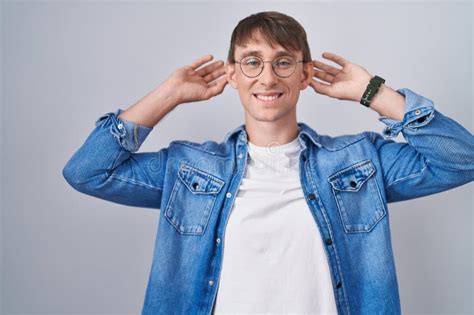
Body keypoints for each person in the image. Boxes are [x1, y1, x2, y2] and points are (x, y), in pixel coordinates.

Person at [62, 11, 474, 315]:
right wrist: (167, 95)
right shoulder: (189, 171)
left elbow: (461, 160)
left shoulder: (358, 163)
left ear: (305, 74)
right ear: (233, 74)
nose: (268, 77)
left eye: (283, 62)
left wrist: (373, 91)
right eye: (252, 62)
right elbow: (87, 172)